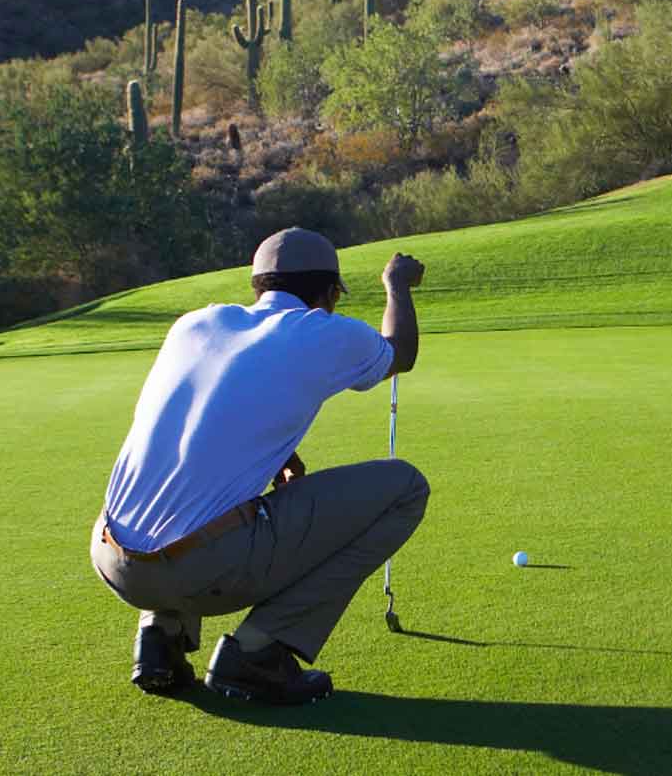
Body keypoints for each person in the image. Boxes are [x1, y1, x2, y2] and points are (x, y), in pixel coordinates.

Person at [90, 227, 429, 705]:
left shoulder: (194, 325)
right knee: (405, 488)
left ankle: (160, 640)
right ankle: (256, 651)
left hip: (111, 559)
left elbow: (204, 417)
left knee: (179, 497)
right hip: (199, 570)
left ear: (260, 286)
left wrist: (275, 452)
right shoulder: (321, 331)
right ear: (329, 295)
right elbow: (401, 353)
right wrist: (395, 284)